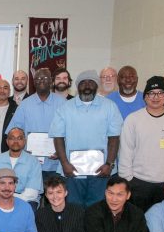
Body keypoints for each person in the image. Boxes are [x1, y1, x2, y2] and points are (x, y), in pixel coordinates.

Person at [50, 70, 122, 207]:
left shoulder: (110, 107)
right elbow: (58, 137)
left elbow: (114, 138)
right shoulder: (65, 108)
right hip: (72, 171)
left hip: (101, 171)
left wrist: (109, 164)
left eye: (91, 82)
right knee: (73, 209)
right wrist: (64, 163)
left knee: (98, 209)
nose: (87, 85)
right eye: (83, 82)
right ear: (77, 86)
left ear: (97, 85)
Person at [118, 76, 164, 211]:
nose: (155, 97)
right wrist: (128, 179)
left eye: (160, 93)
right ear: (145, 97)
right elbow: (126, 151)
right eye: (151, 93)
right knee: (139, 223)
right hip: (138, 182)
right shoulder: (133, 119)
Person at [8, 68, 66, 180]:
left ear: (51, 81)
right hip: (30, 164)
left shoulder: (63, 103)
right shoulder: (24, 105)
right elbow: (13, 132)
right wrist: (22, 147)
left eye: (45, 78)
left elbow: (71, 131)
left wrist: (62, 150)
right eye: (38, 78)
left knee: (55, 196)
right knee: (31, 196)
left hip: (56, 165)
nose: (41, 80)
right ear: (34, 83)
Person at [0, 127, 43, 208]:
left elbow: (31, 194)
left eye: (19, 138)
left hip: (25, 202)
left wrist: (7, 199)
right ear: (7, 141)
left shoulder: (33, 162)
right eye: (12, 138)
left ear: (25, 141)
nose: (15, 141)